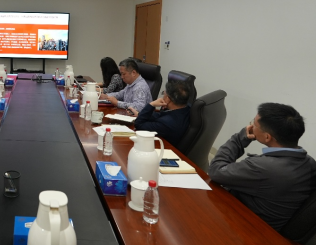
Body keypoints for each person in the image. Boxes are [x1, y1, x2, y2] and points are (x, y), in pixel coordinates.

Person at [208, 103, 316, 232]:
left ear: (267, 137)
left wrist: (239, 139)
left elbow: (216, 171)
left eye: (254, 124)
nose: (251, 126)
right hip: (270, 226)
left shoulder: (262, 167)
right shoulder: (309, 162)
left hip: (246, 227)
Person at [130, 80, 191, 147]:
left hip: (163, 148)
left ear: (168, 99)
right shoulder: (187, 109)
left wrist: (152, 104)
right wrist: (139, 114)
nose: (162, 96)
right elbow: (159, 115)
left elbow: (139, 125)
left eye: (164, 93)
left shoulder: (166, 123)